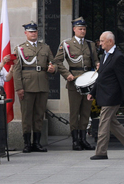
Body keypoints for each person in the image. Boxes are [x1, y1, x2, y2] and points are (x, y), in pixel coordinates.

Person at [87, 31, 124, 160]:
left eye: (102, 41)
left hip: (112, 96)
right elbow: (101, 77)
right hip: (105, 95)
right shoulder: (105, 55)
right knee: (112, 123)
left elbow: (123, 79)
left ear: (110, 41)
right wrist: (92, 92)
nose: (100, 43)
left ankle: (101, 152)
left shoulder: (117, 56)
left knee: (103, 124)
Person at [11, 22, 56, 154]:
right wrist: (19, 88)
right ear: (26, 33)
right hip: (27, 85)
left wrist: (53, 69)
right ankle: (27, 143)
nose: (33, 34)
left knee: (39, 115)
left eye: (35, 31)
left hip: (42, 84)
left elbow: (53, 63)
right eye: (30, 32)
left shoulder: (45, 48)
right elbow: (17, 70)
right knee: (27, 115)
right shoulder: (20, 49)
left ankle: (36, 142)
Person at [54, 18, 97, 151]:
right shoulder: (67, 44)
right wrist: (67, 75)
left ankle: (84, 139)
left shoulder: (90, 44)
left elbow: (95, 60)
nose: (82, 31)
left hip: (88, 80)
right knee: (74, 112)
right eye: (80, 29)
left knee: (85, 111)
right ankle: (75, 140)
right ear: (74, 29)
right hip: (74, 81)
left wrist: (97, 65)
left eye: (84, 29)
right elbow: (58, 61)